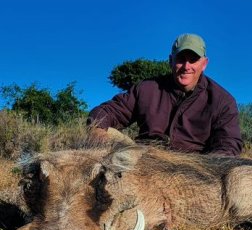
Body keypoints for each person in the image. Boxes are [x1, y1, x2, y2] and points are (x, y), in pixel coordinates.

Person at [88, 33, 243, 156]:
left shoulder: (223, 101)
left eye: (193, 60)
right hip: (144, 161)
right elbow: (109, 111)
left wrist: (205, 171)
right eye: (181, 59)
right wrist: (97, 130)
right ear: (170, 61)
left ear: (204, 64)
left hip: (192, 171)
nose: (186, 66)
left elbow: (228, 145)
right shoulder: (146, 89)